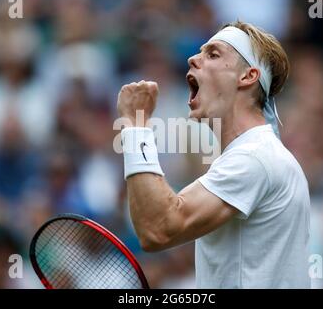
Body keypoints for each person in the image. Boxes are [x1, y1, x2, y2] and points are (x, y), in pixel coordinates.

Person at [117, 20, 310, 288]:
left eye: (213, 53)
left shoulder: (254, 158)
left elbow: (158, 228)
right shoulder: (251, 156)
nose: (192, 58)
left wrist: (136, 125)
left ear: (247, 76)